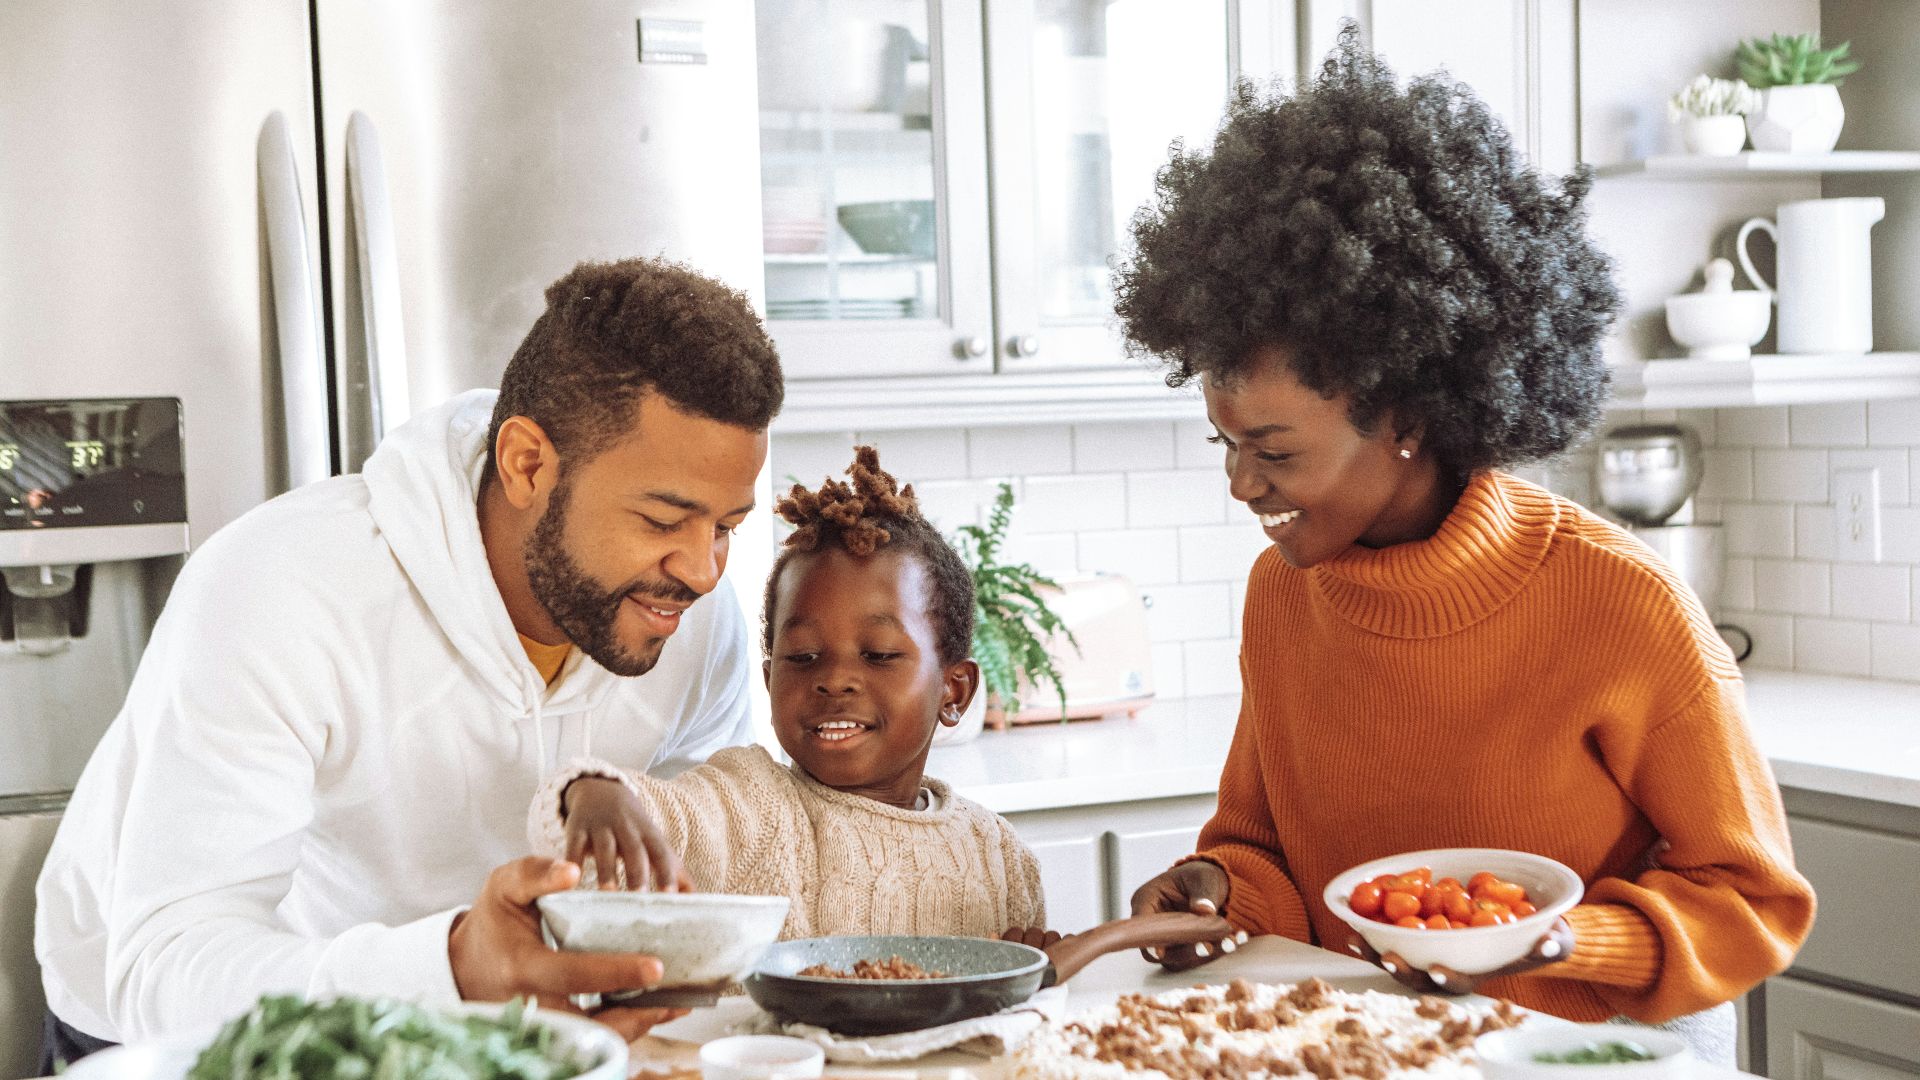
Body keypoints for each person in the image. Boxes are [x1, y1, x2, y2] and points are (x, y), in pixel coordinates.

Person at [1120, 29, 1814, 1063]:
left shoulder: (1621, 604)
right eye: (1224, 442)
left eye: (1272, 450)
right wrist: (1215, 887)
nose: (1239, 482)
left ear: (1406, 414)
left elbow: (1750, 900)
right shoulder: (1285, 593)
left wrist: (1558, 938)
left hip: (1588, 1051)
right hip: (1375, 1046)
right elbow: (1261, 847)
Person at [35, 257, 783, 1068]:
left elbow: (686, 851)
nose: (705, 571)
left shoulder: (689, 623)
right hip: (187, 1041)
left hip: (486, 1035)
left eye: (727, 527)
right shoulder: (281, 592)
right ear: (527, 464)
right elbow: (163, 966)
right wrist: (453, 965)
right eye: (663, 519)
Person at [529, 447, 1046, 940]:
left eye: (880, 655)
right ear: (771, 677)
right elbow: (655, 821)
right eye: (803, 657)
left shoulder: (1000, 856)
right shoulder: (750, 806)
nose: (835, 679)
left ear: (954, 691)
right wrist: (592, 792)